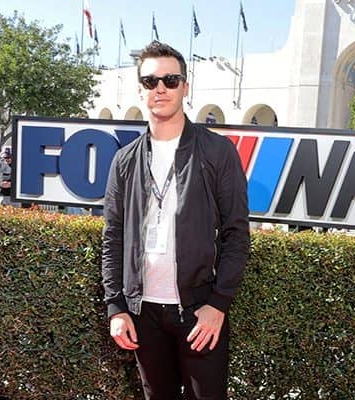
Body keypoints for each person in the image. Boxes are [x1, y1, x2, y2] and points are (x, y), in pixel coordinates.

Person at [101, 41, 250, 400]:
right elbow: (113, 238)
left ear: (185, 86)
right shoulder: (125, 160)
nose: (160, 89)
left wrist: (218, 304)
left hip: (198, 310)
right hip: (142, 313)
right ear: (140, 89)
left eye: (170, 80)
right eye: (150, 81)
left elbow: (236, 233)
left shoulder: (217, 151)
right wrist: (116, 307)